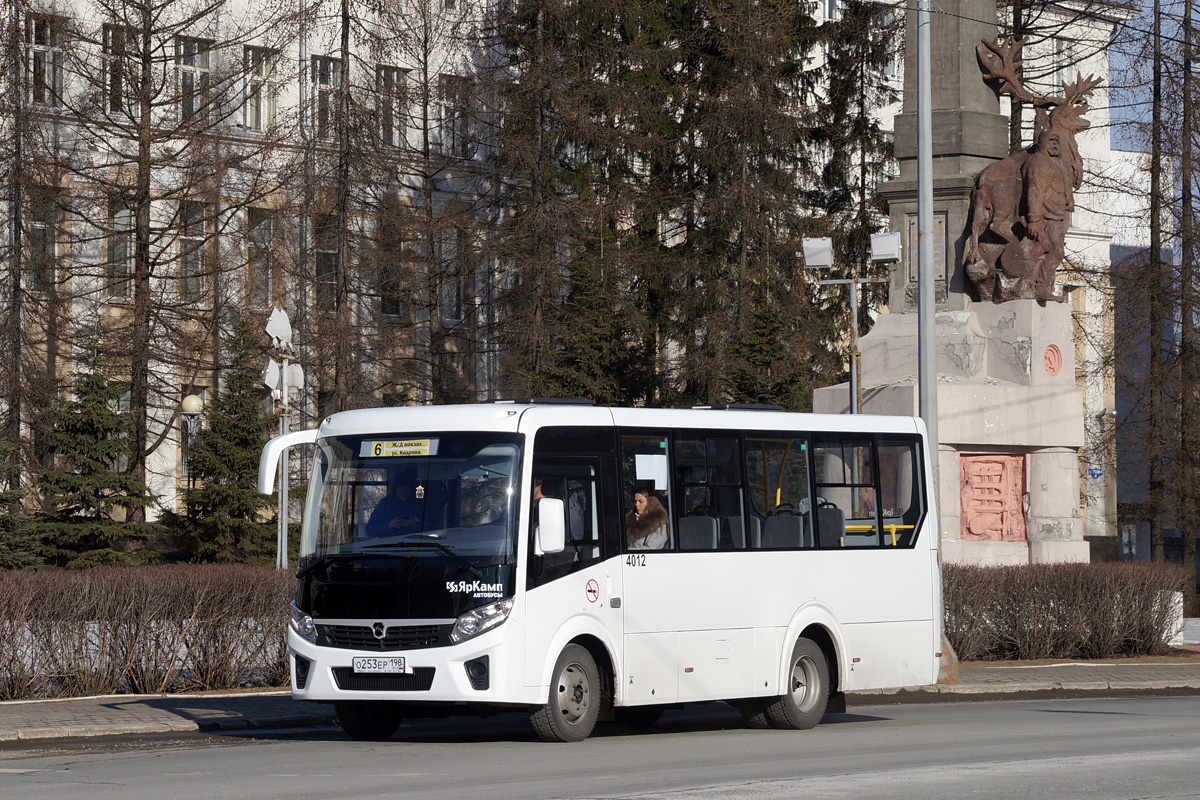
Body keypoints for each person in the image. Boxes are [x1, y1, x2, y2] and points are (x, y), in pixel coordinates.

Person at [366, 469, 422, 536]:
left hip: (415, 544)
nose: (403, 492)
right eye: (400, 489)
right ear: (395, 490)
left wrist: (414, 525)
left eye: (406, 489)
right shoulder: (385, 504)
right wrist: (389, 526)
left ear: (411, 490)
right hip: (388, 543)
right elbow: (370, 529)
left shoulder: (419, 504)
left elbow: (432, 528)